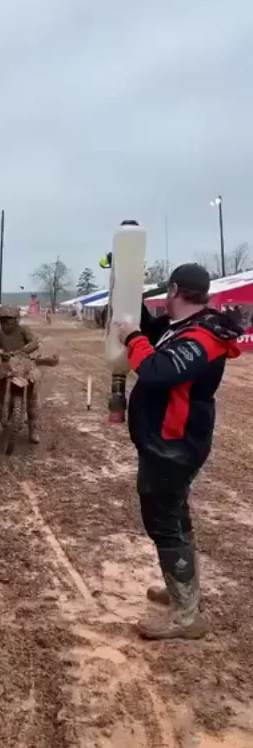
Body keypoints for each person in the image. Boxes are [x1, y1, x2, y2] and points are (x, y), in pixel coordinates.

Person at [116, 264, 243, 640]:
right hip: (167, 442)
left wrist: (133, 337)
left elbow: (155, 369)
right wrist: (125, 295)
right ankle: (183, 593)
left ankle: (186, 616)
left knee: (164, 523)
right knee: (174, 517)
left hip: (174, 444)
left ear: (174, 290)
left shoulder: (203, 337)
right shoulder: (184, 327)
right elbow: (155, 332)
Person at [0, 305, 41, 443]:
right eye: (4, 319)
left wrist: (22, 350)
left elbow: (35, 341)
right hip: (6, 364)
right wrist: (1, 352)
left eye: (10, 319)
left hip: (24, 363)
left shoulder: (24, 330)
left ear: (16, 319)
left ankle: (33, 430)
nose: (7, 323)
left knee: (33, 396)